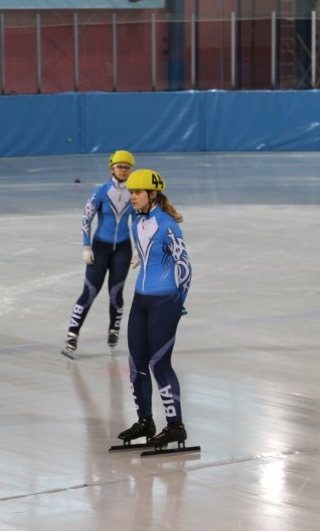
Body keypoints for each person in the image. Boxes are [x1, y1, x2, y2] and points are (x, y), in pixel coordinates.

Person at [118, 169, 192, 446]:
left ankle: (175, 426)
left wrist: (178, 302)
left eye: (137, 192)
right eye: (130, 192)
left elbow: (185, 267)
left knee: (158, 363)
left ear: (152, 194)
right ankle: (145, 421)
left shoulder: (168, 224)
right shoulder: (137, 223)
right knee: (136, 363)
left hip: (164, 302)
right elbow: (149, 249)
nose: (132, 197)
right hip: (140, 300)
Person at [62, 150, 136, 359]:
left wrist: (139, 249)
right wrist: (87, 246)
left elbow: (138, 222)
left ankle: (114, 331)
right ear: (112, 168)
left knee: (115, 293)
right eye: (120, 167)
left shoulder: (134, 193)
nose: (123, 170)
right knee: (90, 292)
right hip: (100, 248)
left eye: (127, 167)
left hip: (122, 248)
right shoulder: (101, 192)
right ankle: (72, 335)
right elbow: (86, 218)